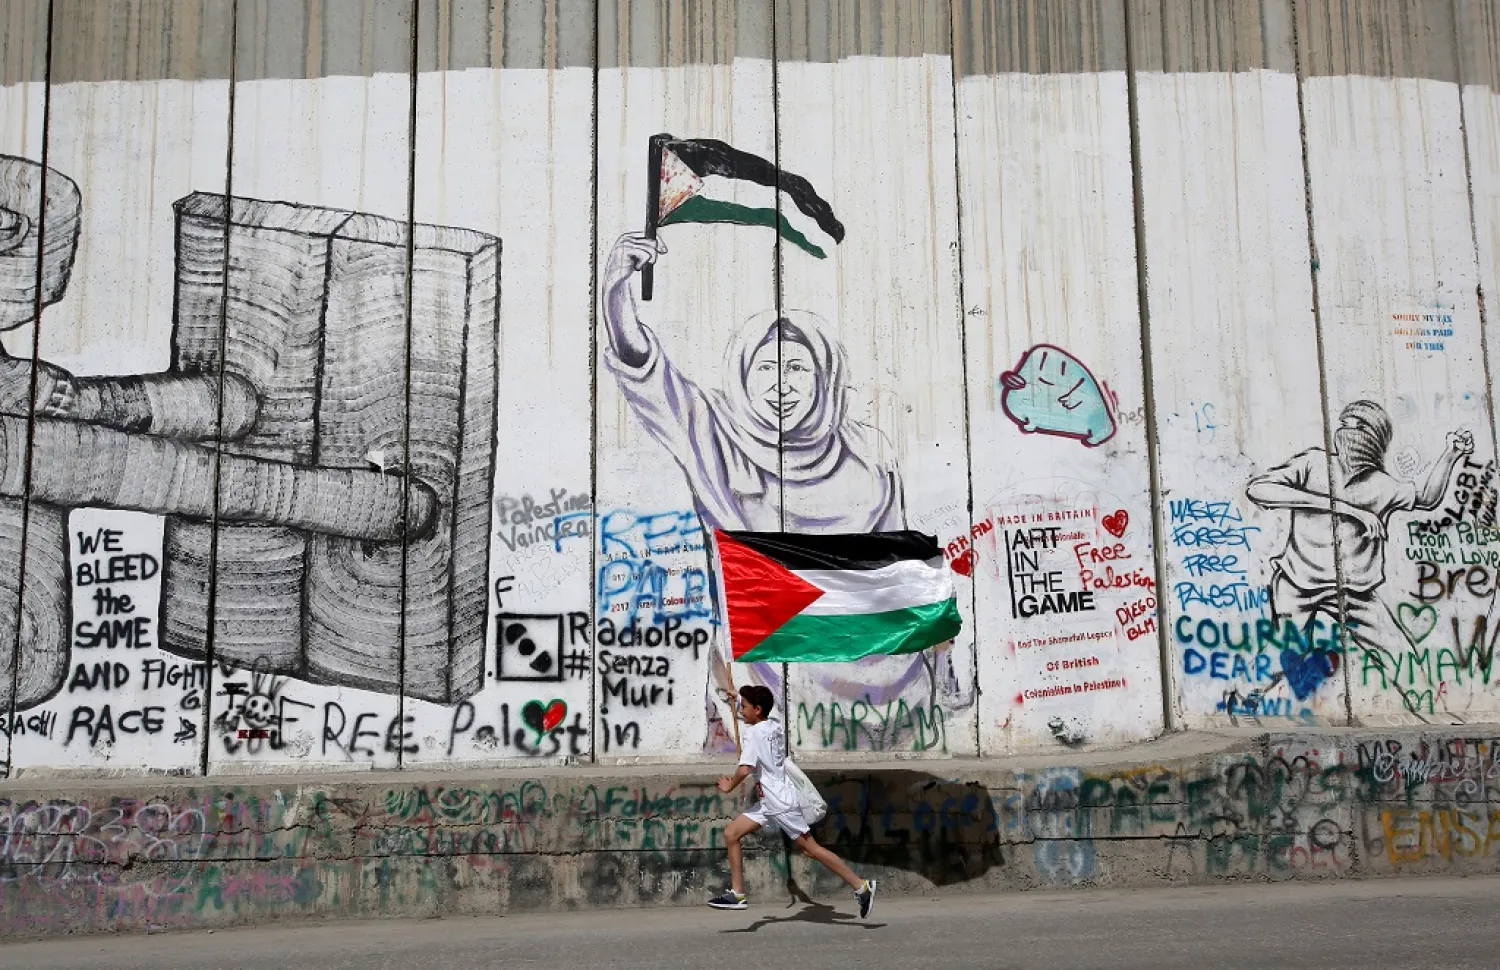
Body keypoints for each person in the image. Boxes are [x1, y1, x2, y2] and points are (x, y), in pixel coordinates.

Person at [600, 231, 968, 748]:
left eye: (797, 367)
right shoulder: (718, 442)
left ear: (824, 379)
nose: (781, 384)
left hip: (875, 696)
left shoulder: (867, 456)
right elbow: (649, 376)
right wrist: (616, 296)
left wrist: (942, 658)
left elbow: (900, 578)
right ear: (744, 377)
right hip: (764, 691)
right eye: (766, 367)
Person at [1247, 400, 1474, 663]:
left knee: (1396, 656)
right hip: (1297, 583)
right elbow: (1258, 489)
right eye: (1345, 423)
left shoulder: (1381, 485)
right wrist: (1344, 508)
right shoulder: (1314, 463)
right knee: (1285, 655)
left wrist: (1451, 453)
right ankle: (1241, 698)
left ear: (1375, 436)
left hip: (1355, 591)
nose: (1348, 431)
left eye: (1360, 425)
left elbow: (1426, 498)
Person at [709, 684, 877, 917]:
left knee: (812, 849)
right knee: (732, 834)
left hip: (779, 802)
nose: (741, 711)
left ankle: (861, 887)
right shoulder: (773, 725)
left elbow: (745, 768)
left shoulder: (753, 733)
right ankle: (737, 894)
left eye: (744, 707)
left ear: (757, 709)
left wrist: (729, 786)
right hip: (770, 800)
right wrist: (739, 698)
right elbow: (760, 714)